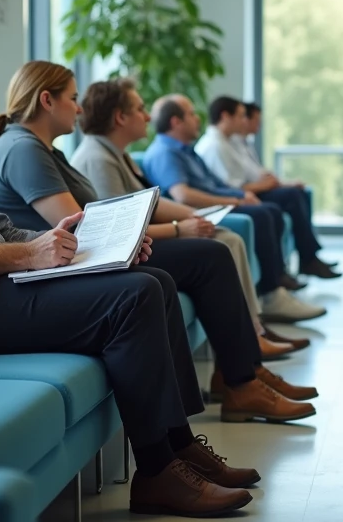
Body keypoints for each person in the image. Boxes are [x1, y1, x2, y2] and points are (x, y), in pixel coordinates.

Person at [0, 30, 261, 518]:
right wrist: (27, 255)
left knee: (155, 282)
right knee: (133, 298)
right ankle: (157, 471)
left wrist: (71, 241)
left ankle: (179, 446)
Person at [0, 62, 318, 423]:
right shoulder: (23, 149)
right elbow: (82, 229)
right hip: (69, 264)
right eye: (73, 99)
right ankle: (239, 384)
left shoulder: (41, 149)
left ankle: (242, 378)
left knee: (209, 256)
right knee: (208, 258)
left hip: (81, 258)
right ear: (46, 100)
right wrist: (178, 230)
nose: (78, 108)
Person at [72, 80, 318, 342]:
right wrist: (180, 228)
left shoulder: (119, 154)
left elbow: (150, 202)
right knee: (219, 248)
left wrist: (194, 216)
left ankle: (253, 330)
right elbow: (122, 231)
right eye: (140, 109)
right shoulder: (99, 159)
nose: (147, 117)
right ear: (120, 117)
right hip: (128, 253)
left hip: (142, 241)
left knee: (229, 237)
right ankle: (250, 340)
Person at [141, 94, 315, 301]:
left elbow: (218, 184)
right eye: (191, 114)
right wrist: (235, 201)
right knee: (263, 213)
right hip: (195, 211)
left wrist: (242, 194)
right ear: (175, 121)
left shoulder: (187, 151)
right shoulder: (165, 153)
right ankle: (273, 292)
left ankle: (277, 285)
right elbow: (183, 195)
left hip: (212, 204)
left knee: (271, 208)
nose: (198, 118)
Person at [197, 96, 339, 279]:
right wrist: (255, 189)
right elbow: (230, 185)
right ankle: (295, 267)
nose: (245, 121)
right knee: (285, 200)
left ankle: (305, 260)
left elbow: (250, 174)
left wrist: (273, 182)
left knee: (296, 193)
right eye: (241, 116)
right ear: (225, 116)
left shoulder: (231, 143)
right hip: (239, 194)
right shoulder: (215, 146)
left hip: (244, 191)